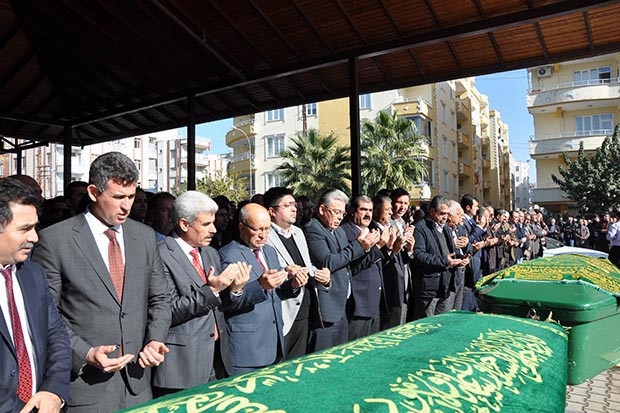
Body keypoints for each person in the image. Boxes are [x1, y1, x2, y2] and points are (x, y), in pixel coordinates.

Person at [31, 152, 172, 412]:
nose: (126, 206)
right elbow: (46, 314)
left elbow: (160, 298)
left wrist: (155, 339)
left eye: (131, 196)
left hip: (138, 385)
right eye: (118, 197)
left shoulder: (144, 236)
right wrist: (84, 352)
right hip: (86, 388)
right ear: (94, 192)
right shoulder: (55, 241)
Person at [152, 191, 250, 396]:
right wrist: (212, 289)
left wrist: (235, 290)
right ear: (184, 224)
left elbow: (221, 306)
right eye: (206, 224)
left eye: (213, 223)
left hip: (217, 359)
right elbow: (167, 311)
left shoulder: (210, 253)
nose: (214, 229)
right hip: (181, 365)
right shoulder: (160, 254)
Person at [0, 178, 71, 413]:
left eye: (35, 227)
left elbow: (56, 335)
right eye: (24, 229)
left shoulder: (33, 273)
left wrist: (54, 391)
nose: (34, 238)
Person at [219, 203, 307, 375]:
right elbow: (227, 303)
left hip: (275, 344)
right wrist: (260, 286)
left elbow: (276, 293)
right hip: (248, 350)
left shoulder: (269, 251)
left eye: (267, 229)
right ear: (241, 227)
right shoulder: (228, 255)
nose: (263, 235)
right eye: (257, 229)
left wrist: (293, 285)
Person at [304, 189, 378, 351]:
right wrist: (359, 246)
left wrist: (371, 247)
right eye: (336, 212)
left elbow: (347, 263)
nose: (339, 217)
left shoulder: (338, 231)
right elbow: (327, 261)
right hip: (326, 310)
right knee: (321, 360)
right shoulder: (313, 229)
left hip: (343, 305)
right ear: (322, 210)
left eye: (342, 213)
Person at [264, 187, 330, 359]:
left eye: (294, 204)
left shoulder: (298, 232)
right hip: (284, 310)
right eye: (288, 205)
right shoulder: (265, 236)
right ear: (272, 211)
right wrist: (288, 276)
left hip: (306, 307)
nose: (295, 209)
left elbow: (306, 266)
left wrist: (322, 276)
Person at [411, 196, 468, 319]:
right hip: (429, 288)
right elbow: (418, 255)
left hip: (445, 285)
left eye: (447, 214)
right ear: (432, 212)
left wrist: (461, 258)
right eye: (442, 213)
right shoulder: (421, 228)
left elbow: (450, 250)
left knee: (442, 324)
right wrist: (444, 261)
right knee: (427, 326)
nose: (445, 217)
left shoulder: (445, 228)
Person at [340, 195, 385, 340]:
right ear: (352, 211)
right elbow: (351, 268)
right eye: (363, 209)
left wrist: (390, 249)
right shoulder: (344, 232)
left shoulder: (373, 230)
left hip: (374, 302)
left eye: (370, 210)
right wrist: (377, 247)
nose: (368, 214)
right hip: (358, 304)